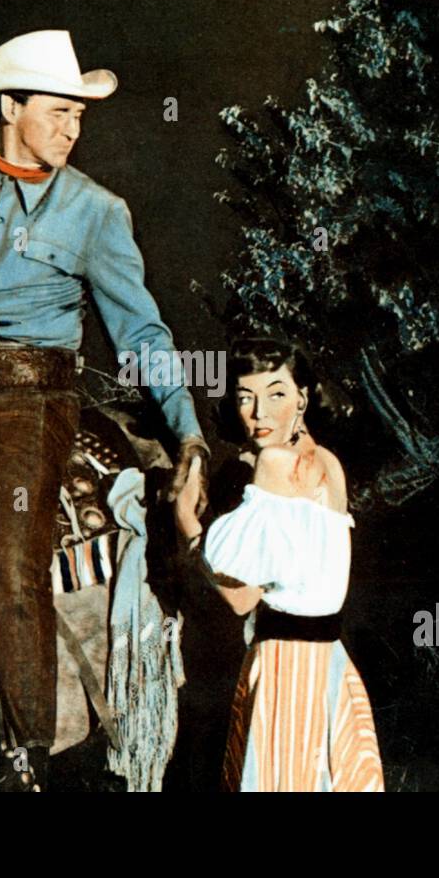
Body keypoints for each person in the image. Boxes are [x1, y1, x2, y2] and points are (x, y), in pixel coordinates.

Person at [0, 30, 210, 791]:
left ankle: (22, 762)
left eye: (78, 116)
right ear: (9, 106)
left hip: (27, 403)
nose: (72, 128)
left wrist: (186, 431)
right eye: (58, 112)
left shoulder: (96, 212)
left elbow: (141, 332)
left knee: (10, 566)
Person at [174, 337, 384, 791]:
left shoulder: (273, 463)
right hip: (329, 666)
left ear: (302, 399)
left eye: (276, 394)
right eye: (246, 397)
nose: (259, 412)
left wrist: (188, 522)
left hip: (286, 670)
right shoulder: (329, 463)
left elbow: (239, 595)